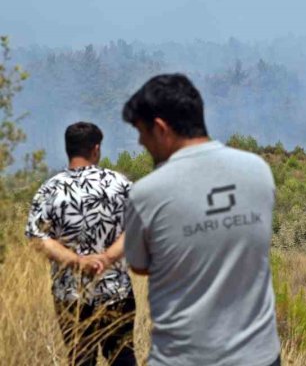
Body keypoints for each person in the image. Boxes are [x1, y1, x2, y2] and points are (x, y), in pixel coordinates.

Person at [121, 73, 281, 366]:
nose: (141, 142)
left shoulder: (145, 194)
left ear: (160, 128)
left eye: (141, 132)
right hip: (260, 356)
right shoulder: (258, 170)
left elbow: (139, 266)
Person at [25, 121, 137, 366]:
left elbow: (37, 237)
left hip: (69, 294)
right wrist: (106, 259)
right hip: (115, 290)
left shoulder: (50, 189)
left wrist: (77, 261)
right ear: (96, 149)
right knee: (123, 357)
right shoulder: (119, 184)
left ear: (68, 149)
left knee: (80, 359)